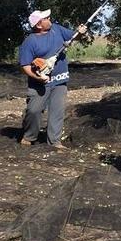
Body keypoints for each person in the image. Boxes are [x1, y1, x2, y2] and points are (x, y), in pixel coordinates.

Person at [17, 9, 86, 149]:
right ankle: (29, 136)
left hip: (60, 81)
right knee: (34, 110)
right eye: (46, 18)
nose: (50, 19)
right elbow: (25, 66)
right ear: (38, 25)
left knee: (57, 111)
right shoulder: (29, 42)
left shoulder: (57, 29)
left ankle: (55, 142)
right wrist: (38, 76)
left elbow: (74, 37)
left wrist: (80, 32)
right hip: (39, 84)